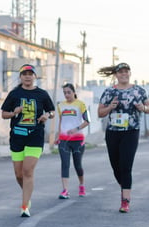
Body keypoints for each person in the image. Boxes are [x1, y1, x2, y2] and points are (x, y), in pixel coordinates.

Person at [1, 64, 55, 217]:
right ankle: (27, 194)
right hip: (17, 137)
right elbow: (4, 114)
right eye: (24, 73)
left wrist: (47, 116)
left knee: (27, 170)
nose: (27, 76)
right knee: (19, 174)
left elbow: (52, 111)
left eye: (30, 74)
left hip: (35, 136)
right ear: (20, 76)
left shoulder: (42, 94)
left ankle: (24, 205)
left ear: (35, 76)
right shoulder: (14, 93)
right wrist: (14, 112)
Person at [97, 62, 149, 213]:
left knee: (126, 165)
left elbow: (148, 108)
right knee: (116, 166)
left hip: (131, 131)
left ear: (130, 73)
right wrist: (110, 107)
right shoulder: (109, 92)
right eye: (120, 72)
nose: (123, 74)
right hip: (113, 132)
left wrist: (143, 108)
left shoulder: (139, 91)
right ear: (116, 75)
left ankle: (125, 200)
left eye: (126, 71)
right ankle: (125, 186)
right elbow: (100, 113)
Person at [55, 83, 90, 199]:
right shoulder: (60, 105)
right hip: (64, 140)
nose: (67, 95)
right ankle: (65, 190)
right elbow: (61, 121)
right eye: (64, 93)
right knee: (65, 164)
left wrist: (76, 129)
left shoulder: (81, 104)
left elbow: (87, 121)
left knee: (77, 165)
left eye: (69, 92)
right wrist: (58, 135)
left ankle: (81, 185)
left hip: (78, 140)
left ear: (74, 92)